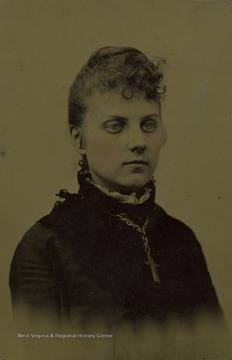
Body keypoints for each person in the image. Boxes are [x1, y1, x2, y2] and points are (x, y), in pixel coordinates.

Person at [9, 47, 223, 332]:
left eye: (148, 124)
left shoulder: (181, 239)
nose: (138, 141)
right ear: (79, 138)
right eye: (115, 126)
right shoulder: (44, 248)